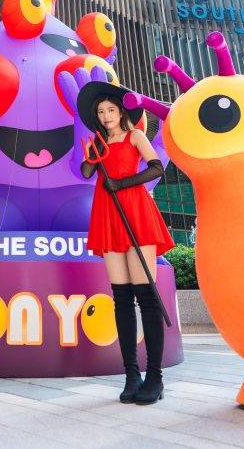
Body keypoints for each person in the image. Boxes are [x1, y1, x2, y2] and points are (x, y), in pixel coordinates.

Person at [79, 87, 174, 405]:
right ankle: (132, 375)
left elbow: (156, 167)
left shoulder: (135, 136)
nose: (105, 116)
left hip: (134, 211)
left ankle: (155, 377)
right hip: (108, 215)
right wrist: (92, 156)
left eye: (110, 110)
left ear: (121, 112)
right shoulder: (99, 142)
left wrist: (122, 183)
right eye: (101, 112)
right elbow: (86, 172)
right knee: (121, 298)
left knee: (145, 295)